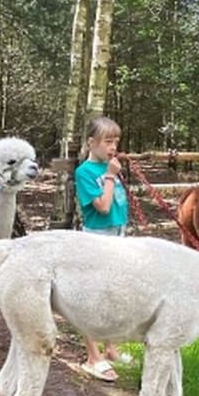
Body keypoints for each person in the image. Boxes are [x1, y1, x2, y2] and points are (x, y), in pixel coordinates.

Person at [74, 115, 133, 382]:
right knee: (93, 298)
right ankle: (92, 356)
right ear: (91, 142)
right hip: (97, 240)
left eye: (116, 141)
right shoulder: (85, 172)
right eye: (108, 141)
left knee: (112, 295)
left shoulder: (111, 167)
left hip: (117, 235)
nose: (113, 147)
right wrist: (110, 177)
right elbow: (103, 207)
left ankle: (110, 348)